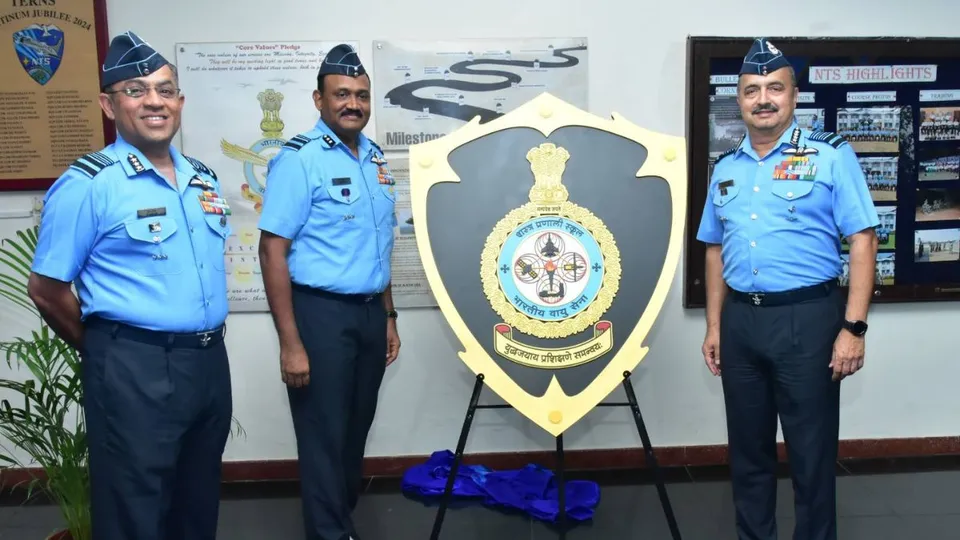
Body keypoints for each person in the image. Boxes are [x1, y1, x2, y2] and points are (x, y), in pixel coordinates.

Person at [27, 30, 233, 540]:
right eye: (137, 90)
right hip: (133, 368)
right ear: (108, 103)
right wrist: (106, 351)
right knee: (133, 512)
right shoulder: (88, 185)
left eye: (165, 90)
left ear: (180, 102)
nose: (154, 101)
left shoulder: (202, 179)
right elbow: (46, 289)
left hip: (207, 364)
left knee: (197, 503)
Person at [696, 38, 879, 540]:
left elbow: (863, 240)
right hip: (742, 324)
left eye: (774, 88)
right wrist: (715, 325)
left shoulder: (830, 156)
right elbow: (714, 249)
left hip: (809, 320)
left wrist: (854, 328)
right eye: (752, 90)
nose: (763, 99)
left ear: (794, 96)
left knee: (811, 457)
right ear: (739, 100)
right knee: (748, 454)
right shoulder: (726, 168)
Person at [257, 43, 401, 540]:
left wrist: (388, 317)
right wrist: (290, 342)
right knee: (323, 436)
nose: (353, 104)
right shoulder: (298, 160)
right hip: (319, 314)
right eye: (342, 94)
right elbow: (271, 251)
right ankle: (329, 533)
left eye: (361, 95)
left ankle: (336, 520)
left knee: (355, 428)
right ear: (319, 99)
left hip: (367, 315)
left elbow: (380, 245)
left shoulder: (376, 158)